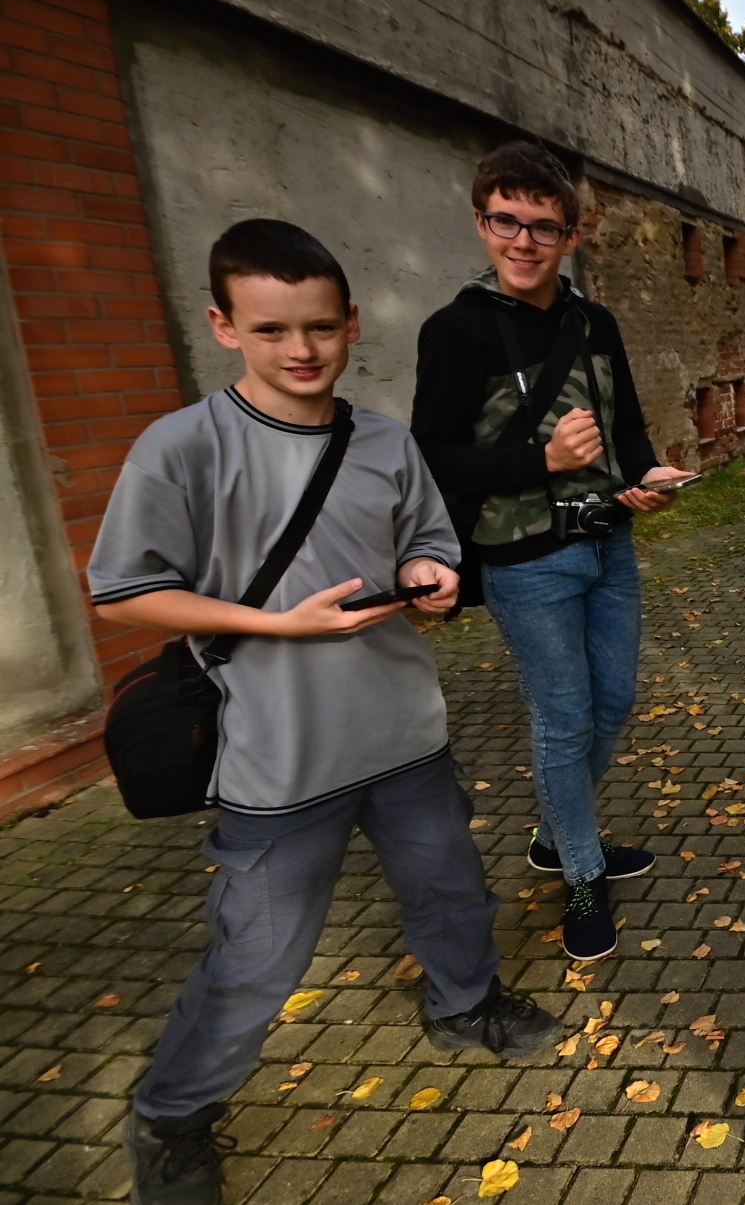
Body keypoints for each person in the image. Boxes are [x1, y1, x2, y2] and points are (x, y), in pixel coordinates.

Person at [92, 220, 563, 1205]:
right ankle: (171, 1112)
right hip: (278, 759)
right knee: (257, 958)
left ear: (350, 321)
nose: (300, 349)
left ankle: (464, 1002)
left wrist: (432, 573)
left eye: (318, 326)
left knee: (451, 892)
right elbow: (126, 592)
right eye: (270, 329)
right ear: (224, 325)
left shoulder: (384, 440)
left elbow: (428, 537)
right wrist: (272, 623)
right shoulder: (182, 447)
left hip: (404, 734)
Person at [411, 142, 690, 962]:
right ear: (481, 222)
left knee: (614, 702)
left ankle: (554, 834)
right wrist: (546, 460)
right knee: (564, 719)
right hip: (525, 558)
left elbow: (627, 426)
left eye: (543, 226)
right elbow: (436, 456)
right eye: (507, 221)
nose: (524, 241)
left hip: (608, 541)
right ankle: (580, 870)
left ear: (571, 235)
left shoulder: (593, 323)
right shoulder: (456, 331)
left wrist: (647, 474)